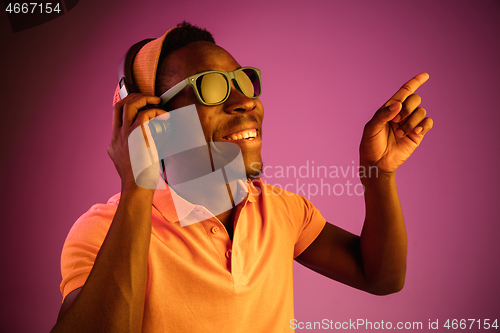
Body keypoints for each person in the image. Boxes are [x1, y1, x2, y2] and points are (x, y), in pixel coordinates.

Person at [51, 22, 433, 332]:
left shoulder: (282, 211)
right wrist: (137, 185)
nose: (245, 101)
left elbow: (380, 277)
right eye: (211, 88)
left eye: (243, 81)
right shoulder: (101, 232)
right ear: (156, 122)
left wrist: (379, 174)